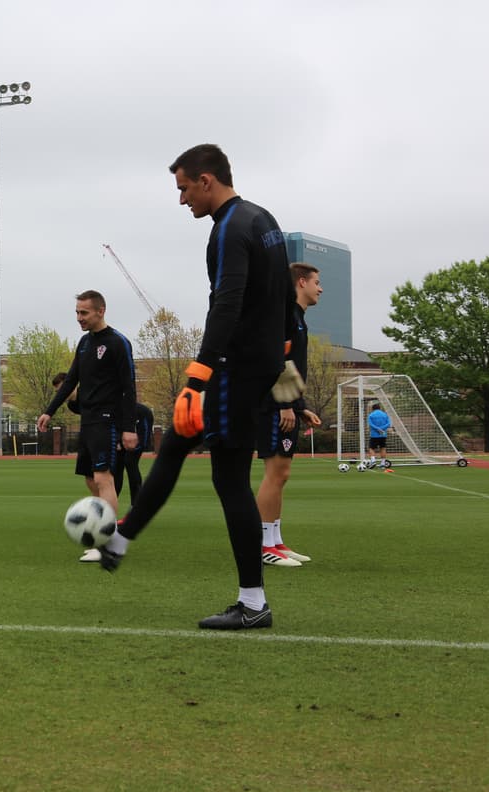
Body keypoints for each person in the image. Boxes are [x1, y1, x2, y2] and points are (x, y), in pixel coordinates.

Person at [96, 143, 302, 631]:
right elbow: (279, 304)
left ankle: (253, 604)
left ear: (207, 180)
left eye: (184, 188)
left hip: (236, 369)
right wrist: (283, 359)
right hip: (257, 366)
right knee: (173, 449)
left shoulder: (230, 227)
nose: (182, 199)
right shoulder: (263, 219)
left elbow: (227, 304)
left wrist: (198, 378)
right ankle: (122, 537)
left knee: (229, 480)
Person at [37, 291, 138, 563]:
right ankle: (102, 530)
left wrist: (128, 427)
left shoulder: (118, 343)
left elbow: (129, 386)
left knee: (104, 479)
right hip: (88, 419)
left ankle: (110, 543)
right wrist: (49, 411)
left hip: (108, 419)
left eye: (84, 313)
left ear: (101, 311)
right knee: (91, 479)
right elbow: (70, 381)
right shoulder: (83, 343)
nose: (79, 318)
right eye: (77, 313)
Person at [257, 263, 324, 568]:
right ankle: (262, 545)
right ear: (301, 282)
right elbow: (276, 360)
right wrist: (284, 404)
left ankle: (276, 541)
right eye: (317, 282)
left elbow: (293, 368)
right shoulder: (284, 314)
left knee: (282, 475)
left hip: (286, 405)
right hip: (273, 406)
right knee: (275, 473)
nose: (320, 288)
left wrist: (300, 406)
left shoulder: (297, 317)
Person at [114, 402, 155, 509]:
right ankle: (111, 503)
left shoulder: (142, 411)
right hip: (124, 429)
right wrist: (117, 441)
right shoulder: (107, 409)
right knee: (117, 466)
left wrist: (140, 443)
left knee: (130, 462)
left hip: (141, 423)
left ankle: (136, 505)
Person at [367, 403, 392, 468]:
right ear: (380, 408)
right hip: (383, 434)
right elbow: (389, 424)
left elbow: (371, 424)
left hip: (374, 435)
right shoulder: (385, 415)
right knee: (383, 448)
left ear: (372, 409)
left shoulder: (371, 415)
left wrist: (378, 429)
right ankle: (383, 463)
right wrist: (382, 429)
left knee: (371, 448)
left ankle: (373, 461)